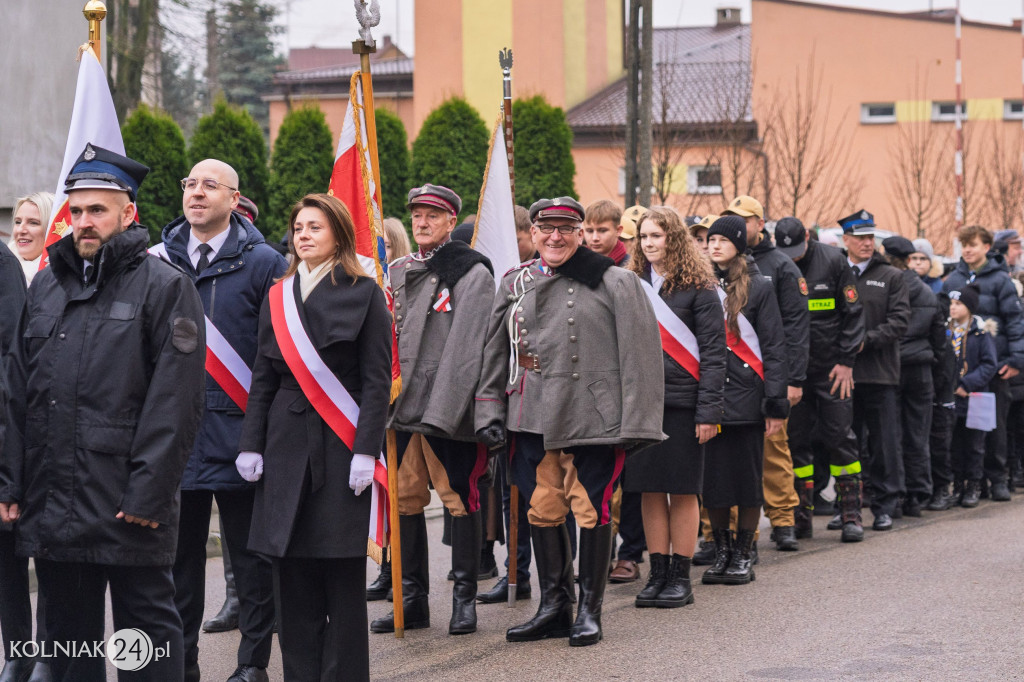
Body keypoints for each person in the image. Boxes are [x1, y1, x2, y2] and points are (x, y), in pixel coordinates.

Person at [0, 143, 207, 682]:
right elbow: (18, 392)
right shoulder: (47, 285)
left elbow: (176, 403)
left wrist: (148, 493)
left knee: (144, 646)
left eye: (98, 210)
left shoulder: (167, 287)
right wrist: (10, 484)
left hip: (125, 504)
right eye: (76, 211)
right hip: (54, 501)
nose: (85, 222)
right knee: (69, 650)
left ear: (128, 213)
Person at [477, 196, 664, 646]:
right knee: (542, 512)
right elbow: (494, 352)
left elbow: (641, 358)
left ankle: (590, 611)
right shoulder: (515, 282)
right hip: (531, 413)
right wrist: (489, 409)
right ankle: (554, 606)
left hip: (592, 416)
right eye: (546, 228)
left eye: (566, 228)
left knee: (591, 510)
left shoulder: (617, 281)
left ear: (581, 233)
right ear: (535, 233)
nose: (555, 237)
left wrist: (636, 423)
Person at [235, 193, 390, 682]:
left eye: (315, 227)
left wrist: (366, 450)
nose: (303, 235)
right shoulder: (278, 295)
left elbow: (377, 381)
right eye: (298, 227)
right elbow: (262, 375)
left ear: (338, 235)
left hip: (340, 448)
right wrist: (250, 442)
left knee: (341, 582)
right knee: (292, 577)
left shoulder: (364, 292)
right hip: (283, 447)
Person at [157, 159, 286, 682]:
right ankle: (181, 664)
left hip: (241, 438)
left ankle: (251, 664)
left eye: (211, 186)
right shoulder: (157, 262)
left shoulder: (264, 263)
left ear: (235, 199)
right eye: (190, 183)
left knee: (253, 567)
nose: (197, 193)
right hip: (175, 438)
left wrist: (263, 436)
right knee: (175, 570)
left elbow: (276, 356)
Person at [370, 184, 495, 636]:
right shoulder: (398, 270)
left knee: (459, 498)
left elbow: (467, 347)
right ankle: (412, 600)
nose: (422, 223)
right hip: (400, 407)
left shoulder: (471, 271)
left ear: (449, 221)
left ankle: (465, 600)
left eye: (432, 216)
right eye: (417, 216)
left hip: (448, 407)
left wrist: (444, 409)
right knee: (404, 500)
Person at [625, 207, 725, 608]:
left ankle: (681, 576)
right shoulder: (631, 283)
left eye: (657, 236)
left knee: (682, 492)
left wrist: (709, 413)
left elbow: (715, 355)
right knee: (649, 491)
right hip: (643, 406)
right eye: (643, 236)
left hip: (685, 406)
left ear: (674, 239)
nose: (648, 243)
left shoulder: (700, 287)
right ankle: (658, 572)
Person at [700, 216, 788, 586]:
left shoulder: (761, 286)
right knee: (714, 481)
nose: (714, 246)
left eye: (722, 239)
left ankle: (743, 552)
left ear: (739, 243)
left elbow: (773, 346)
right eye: (710, 239)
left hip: (748, 398)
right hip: (711, 397)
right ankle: (721, 552)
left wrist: (775, 403)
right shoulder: (699, 284)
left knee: (748, 480)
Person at [722, 197, 807, 552]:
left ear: (759, 223)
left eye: (745, 220)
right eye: (732, 221)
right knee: (729, 460)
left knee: (773, 451)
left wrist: (793, 380)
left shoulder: (782, 265)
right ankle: (727, 532)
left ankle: (784, 519)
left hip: (767, 377)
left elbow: (795, 327)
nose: (739, 227)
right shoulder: (717, 267)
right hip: (728, 380)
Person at [777, 217, 866, 543]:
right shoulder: (777, 264)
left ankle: (851, 513)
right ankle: (801, 515)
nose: (794, 258)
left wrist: (846, 362)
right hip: (794, 373)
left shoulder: (833, 261)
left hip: (832, 370)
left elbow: (855, 315)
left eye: (798, 250)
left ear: (807, 238)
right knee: (796, 443)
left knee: (841, 438)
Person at [839, 210, 911, 531]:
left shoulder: (891, 276)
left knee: (883, 443)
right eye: (860, 238)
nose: (867, 243)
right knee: (846, 443)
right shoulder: (838, 272)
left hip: (879, 372)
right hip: (843, 373)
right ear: (846, 240)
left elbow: (899, 323)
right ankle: (850, 507)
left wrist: (862, 342)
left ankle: (885, 504)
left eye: (871, 237)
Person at [942, 225, 1024, 501]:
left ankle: (997, 478)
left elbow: (1015, 322)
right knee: (966, 428)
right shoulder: (953, 280)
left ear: (987, 247)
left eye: (973, 244)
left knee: (994, 425)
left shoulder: (1001, 281)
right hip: (963, 369)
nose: (967, 249)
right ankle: (968, 481)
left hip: (995, 365)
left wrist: (1016, 360)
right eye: (964, 244)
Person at [0, 240, 40, 682]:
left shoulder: (2, 263)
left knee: (8, 550)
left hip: (7, 426)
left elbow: (11, 355)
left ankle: (21, 650)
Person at [882, 236, 946, 518]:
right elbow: (939, 341)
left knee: (890, 434)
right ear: (909, 259)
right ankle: (917, 494)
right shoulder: (926, 292)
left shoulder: (885, 286)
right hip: (921, 369)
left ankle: (894, 494)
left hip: (890, 368)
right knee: (918, 432)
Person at [944, 286, 999, 506]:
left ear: (969, 307)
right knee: (954, 443)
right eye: (952, 304)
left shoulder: (980, 333)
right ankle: (957, 484)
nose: (953, 308)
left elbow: (989, 364)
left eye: (958, 304)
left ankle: (974, 484)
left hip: (975, 397)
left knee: (975, 444)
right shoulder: (946, 331)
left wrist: (966, 383)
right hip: (952, 397)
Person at [8, 192, 54, 285]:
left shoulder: (67, 278)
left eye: (33, 223)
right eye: (18, 222)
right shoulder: (4, 267)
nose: (20, 230)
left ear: (52, 228)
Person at [582, 199, 629, 266]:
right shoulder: (576, 265)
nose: (595, 238)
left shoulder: (634, 269)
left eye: (602, 231)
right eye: (590, 231)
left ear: (618, 230)